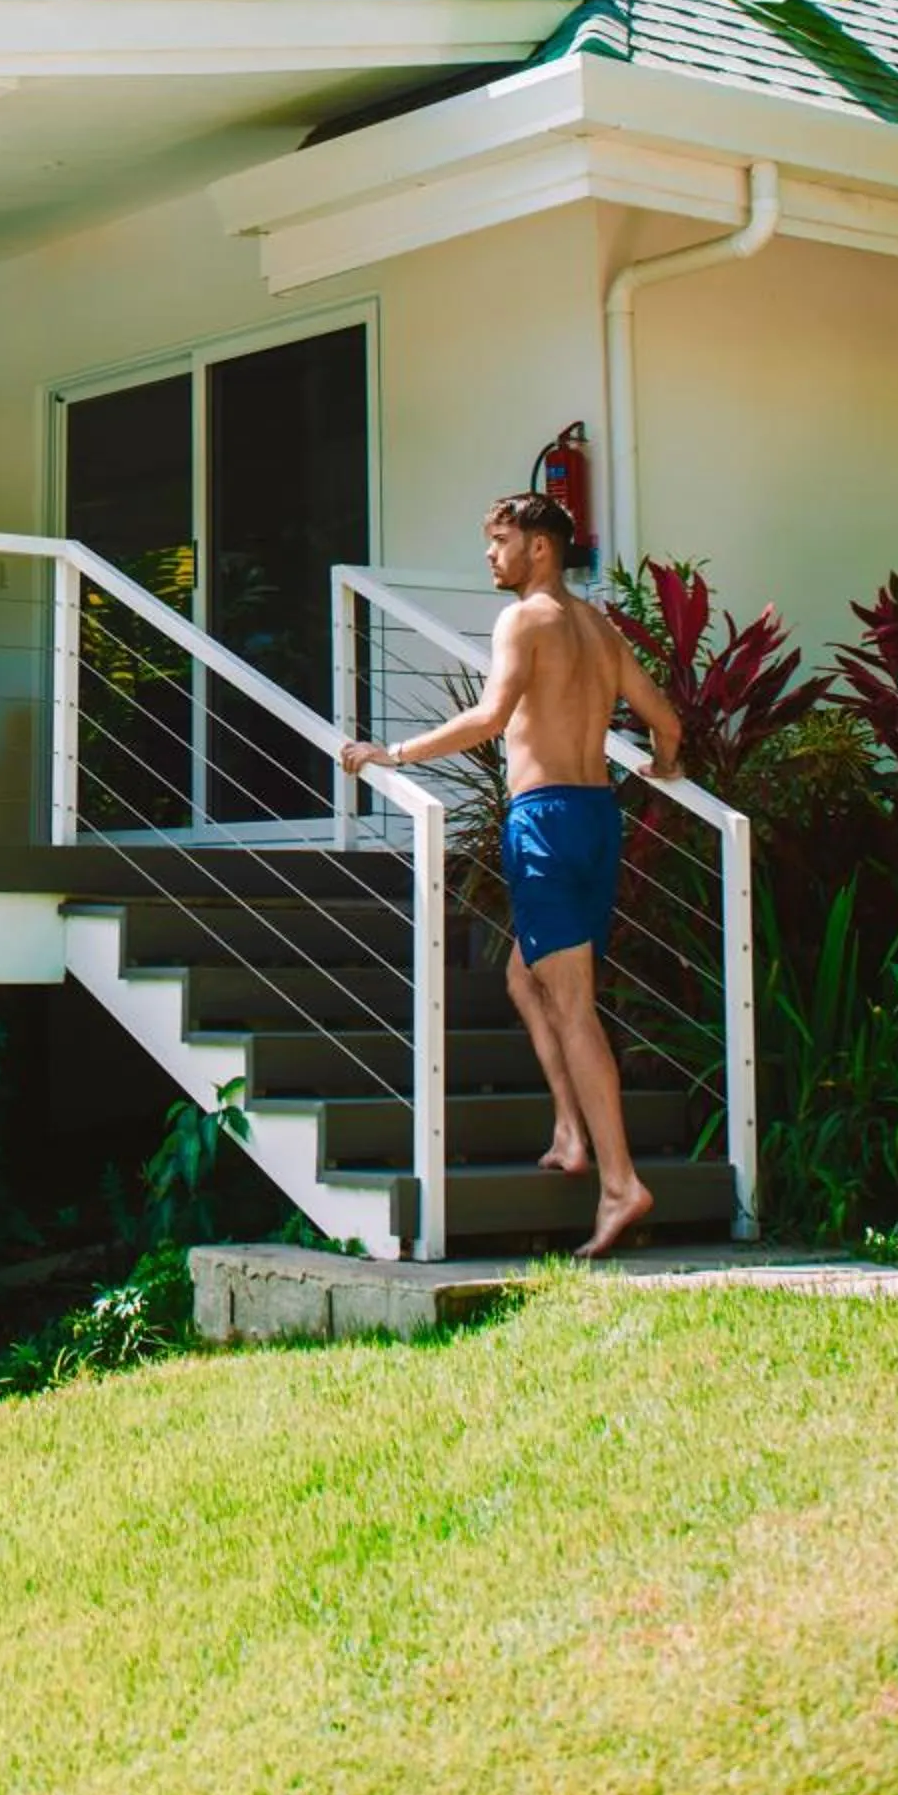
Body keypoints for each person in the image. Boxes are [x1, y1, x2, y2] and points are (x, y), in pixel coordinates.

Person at [339, 490, 682, 1260]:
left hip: (547, 825)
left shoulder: (523, 618)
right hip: (598, 820)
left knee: (573, 1005)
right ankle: (569, 1132)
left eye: (499, 541)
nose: (489, 555)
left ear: (539, 548)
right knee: (526, 982)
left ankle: (621, 1183)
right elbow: (666, 723)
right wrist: (663, 767)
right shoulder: (597, 626)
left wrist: (391, 755)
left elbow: (492, 718)